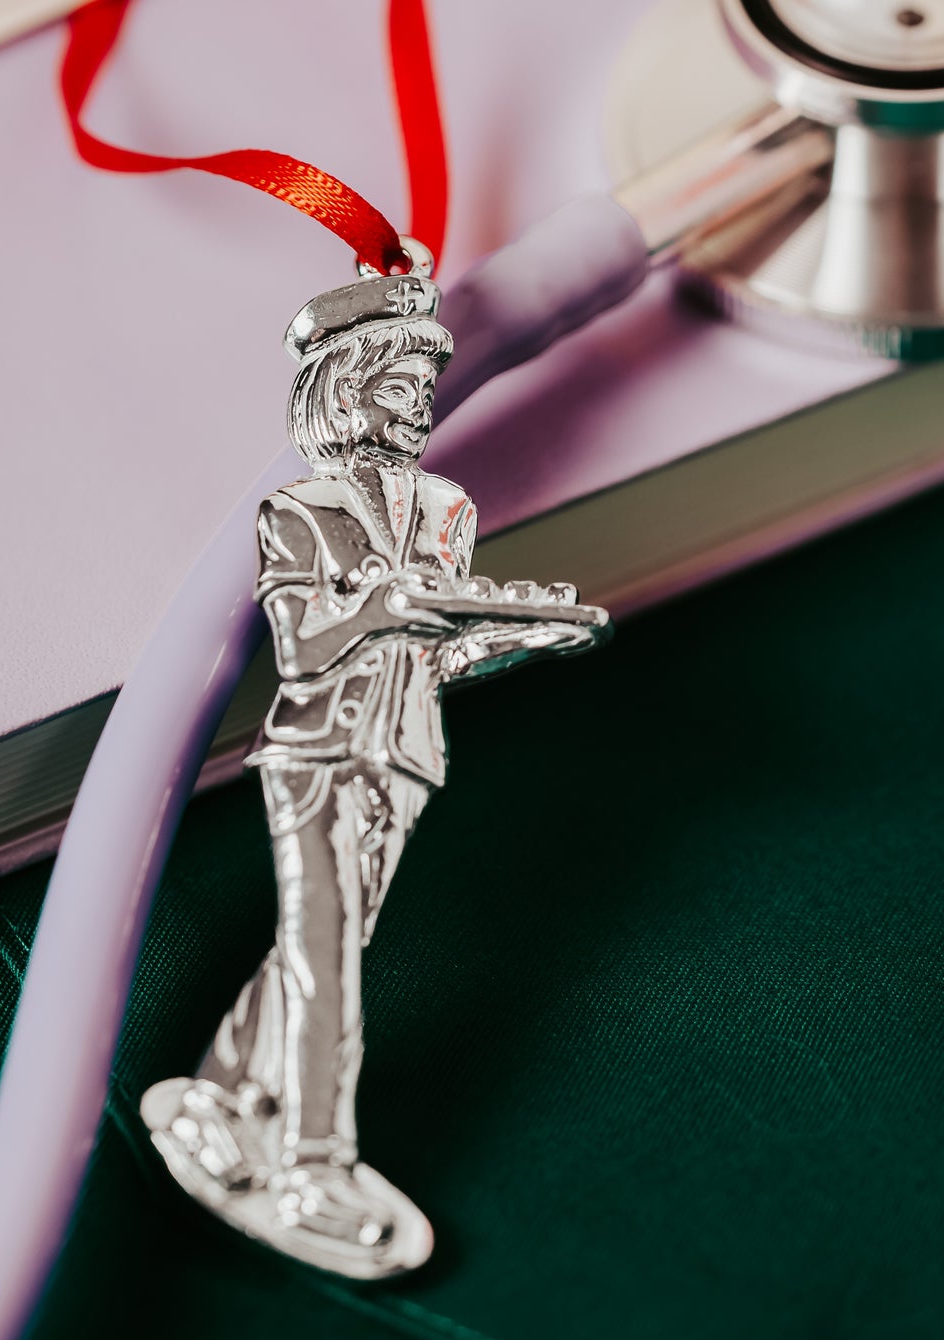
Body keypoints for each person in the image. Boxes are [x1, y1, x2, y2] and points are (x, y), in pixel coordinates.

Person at [141, 269, 608, 1277]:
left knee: (324, 942)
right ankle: (314, 1164)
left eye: (424, 388)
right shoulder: (297, 511)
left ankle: (219, 1094)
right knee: (330, 957)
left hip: (406, 751)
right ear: (346, 387)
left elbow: (438, 653)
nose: (419, 406)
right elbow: (303, 647)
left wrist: (517, 634)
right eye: (399, 386)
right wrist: (385, 606)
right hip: (316, 749)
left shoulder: (447, 510)